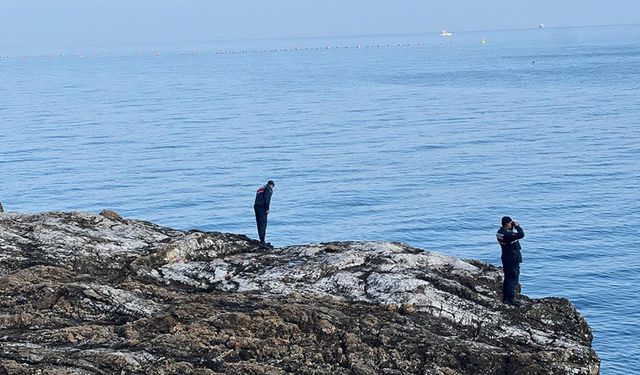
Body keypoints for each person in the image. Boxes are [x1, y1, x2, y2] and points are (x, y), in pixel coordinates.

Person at [496, 216, 525, 306]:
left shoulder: (499, 233)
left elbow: (510, 234)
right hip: (512, 258)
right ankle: (511, 299)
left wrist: (511, 227)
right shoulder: (507, 235)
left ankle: (505, 298)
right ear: (507, 224)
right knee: (513, 277)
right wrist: (517, 226)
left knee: (507, 277)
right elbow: (521, 235)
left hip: (505, 256)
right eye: (510, 223)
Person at [254, 180, 275, 248]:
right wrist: (267, 209)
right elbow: (267, 199)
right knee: (263, 224)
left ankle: (261, 239)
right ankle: (262, 241)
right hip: (262, 208)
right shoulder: (268, 189)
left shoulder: (261, 188)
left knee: (259, 224)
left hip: (256, 207)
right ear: (271, 185)